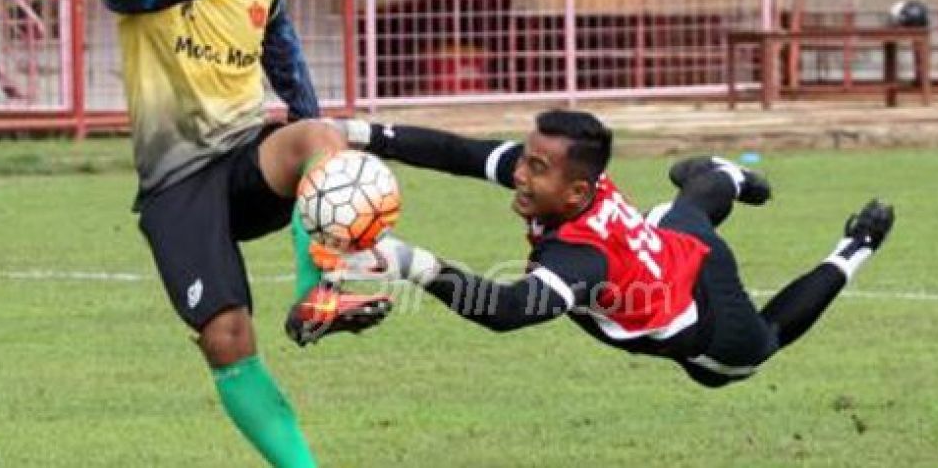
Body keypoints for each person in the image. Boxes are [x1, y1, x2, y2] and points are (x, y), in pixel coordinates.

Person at [99, 0, 388, 467]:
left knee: (316, 133)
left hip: (242, 161)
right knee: (227, 340)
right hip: (176, 185)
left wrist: (333, 178)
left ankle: (321, 294)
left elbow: (288, 69)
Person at [336, 110, 894, 388]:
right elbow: (458, 152)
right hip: (671, 241)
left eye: (536, 167)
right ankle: (726, 175)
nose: (520, 176)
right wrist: (362, 133)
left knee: (757, 350)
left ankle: (855, 246)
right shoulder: (572, 187)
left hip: (704, 319)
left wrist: (407, 261)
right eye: (526, 160)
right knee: (692, 209)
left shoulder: (580, 258)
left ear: (578, 190)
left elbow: (506, 312)